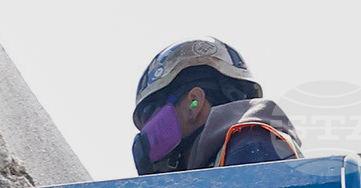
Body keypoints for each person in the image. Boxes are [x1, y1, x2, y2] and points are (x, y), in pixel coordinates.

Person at [128, 40, 301, 173]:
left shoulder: (250, 144)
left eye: (149, 112)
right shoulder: (214, 163)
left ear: (193, 103)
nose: (145, 132)